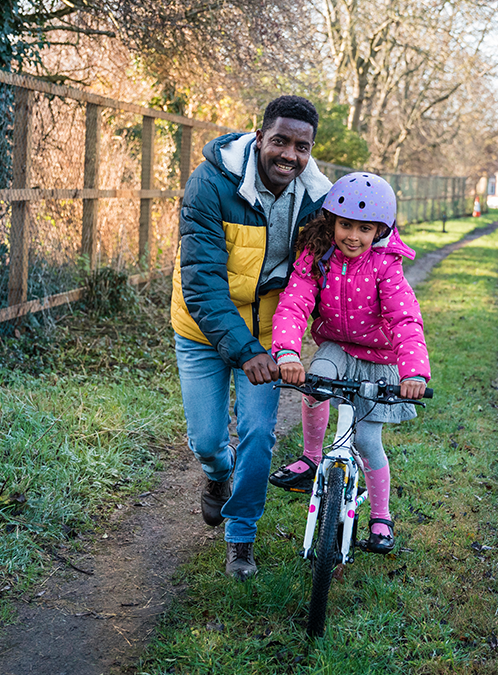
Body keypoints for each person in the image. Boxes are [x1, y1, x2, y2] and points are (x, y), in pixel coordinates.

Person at [171, 95, 331, 581]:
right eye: (279, 141)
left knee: (259, 435)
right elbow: (201, 281)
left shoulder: (317, 198)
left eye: (301, 147)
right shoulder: (211, 183)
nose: (289, 155)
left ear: (310, 151)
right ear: (259, 137)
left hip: (268, 334)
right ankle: (219, 476)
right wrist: (243, 351)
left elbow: (351, 248)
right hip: (204, 327)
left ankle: (241, 537)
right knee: (206, 440)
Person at [268, 172, 430, 554]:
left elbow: (405, 319)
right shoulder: (317, 255)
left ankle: (380, 517)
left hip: (378, 360)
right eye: (345, 225)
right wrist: (288, 352)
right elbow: (295, 303)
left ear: (380, 230)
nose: (352, 236)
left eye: (364, 228)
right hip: (337, 348)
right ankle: (311, 459)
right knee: (316, 382)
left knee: (366, 440)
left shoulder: (385, 266)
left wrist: (413, 373)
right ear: (331, 221)